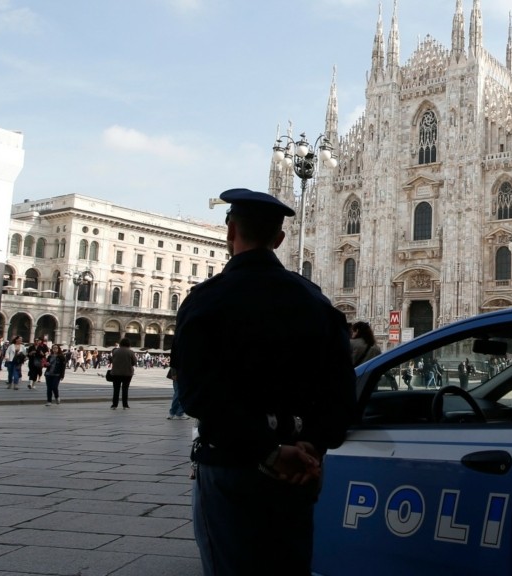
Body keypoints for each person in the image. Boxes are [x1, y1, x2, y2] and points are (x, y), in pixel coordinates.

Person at [172, 188, 356, 576]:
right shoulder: (316, 302)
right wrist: (312, 443)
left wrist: (267, 451)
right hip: (299, 469)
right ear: (280, 239)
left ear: (230, 232)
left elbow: (195, 394)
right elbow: (341, 392)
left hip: (230, 467)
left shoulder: (206, 300)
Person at [109, 339, 136, 409]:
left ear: (120, 344)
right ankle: (125, 405)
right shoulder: (130, 352)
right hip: (127, 373)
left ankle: (114, 405)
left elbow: (112, 360)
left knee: (116, 389)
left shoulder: (115, 351)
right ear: (128, 344)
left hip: (116, 373)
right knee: (125, 389)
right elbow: (134, 362)